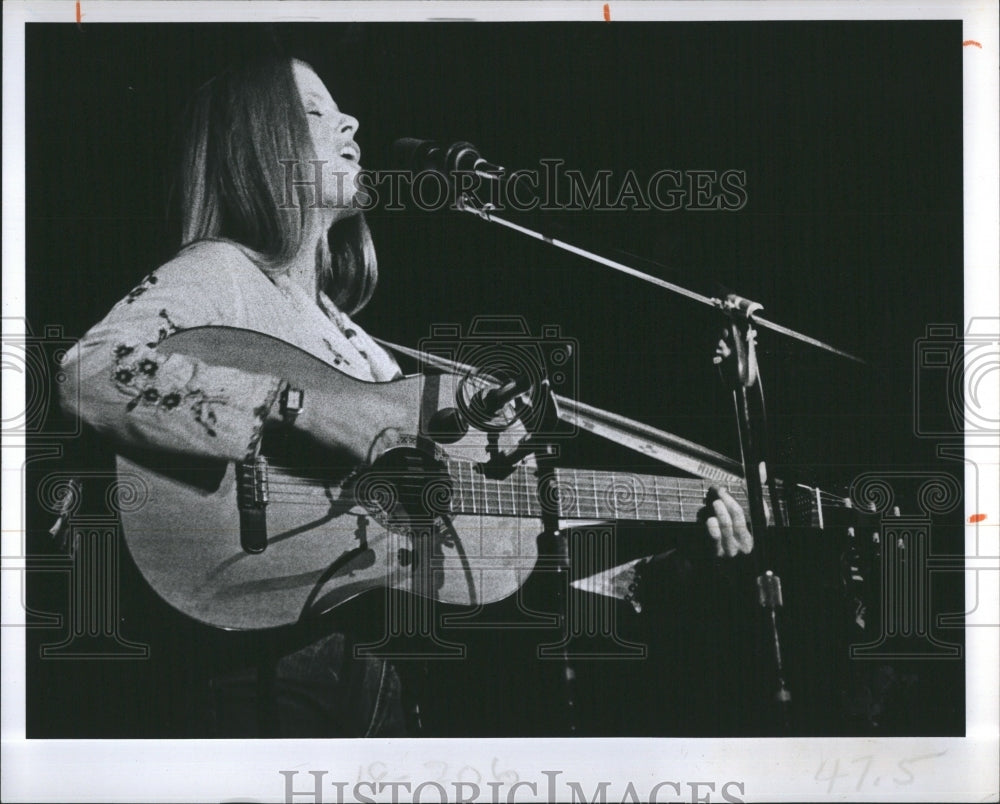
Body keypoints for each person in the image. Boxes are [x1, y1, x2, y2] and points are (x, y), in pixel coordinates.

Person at [59, 55, 752, 737]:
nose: (352, 122)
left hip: (371, 675)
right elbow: (90, 369)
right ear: (257, 145)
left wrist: (668, 549)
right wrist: (297, 409)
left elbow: (492, 523)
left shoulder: (358, 346)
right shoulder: (223, 272)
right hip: (251, 668)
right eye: (315, 111)